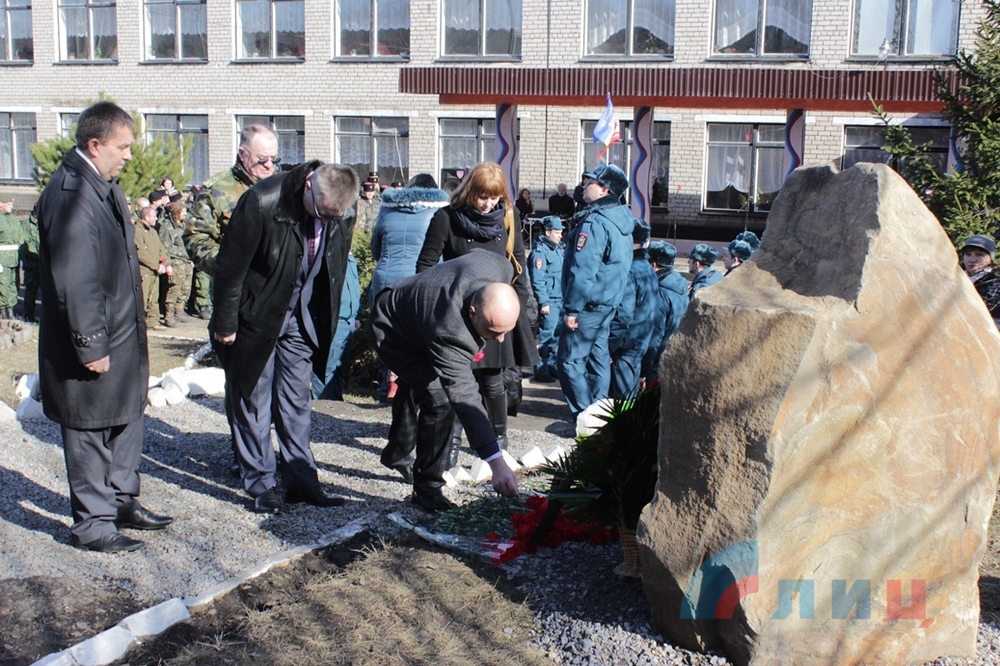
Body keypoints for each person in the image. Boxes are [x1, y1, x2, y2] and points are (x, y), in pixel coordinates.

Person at [36, 101, 173, 553]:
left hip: (121, 333)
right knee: (89, 428)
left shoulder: (104, 186)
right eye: (123, 147)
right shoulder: (71, 195)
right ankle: (93, 525)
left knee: (126, 416)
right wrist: (91, 343)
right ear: (95, 146)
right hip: (92, 340)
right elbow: (75, 280)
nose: (130, 155)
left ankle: (121, 501)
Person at [210, 161, 359, 514]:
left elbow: (333, 268)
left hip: (301, 317)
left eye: (332, 218)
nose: (325, 222)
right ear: (309, 186)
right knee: (254, 400)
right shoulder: (262, 202)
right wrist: (226, 323)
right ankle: (261, 485)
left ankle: (302, 483)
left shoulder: (341, 212)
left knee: (296, 403)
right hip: (257, 317)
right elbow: (230, 269)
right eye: (321, 213)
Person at [371, 250, 522, 510]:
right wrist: (496, 462)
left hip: (420, 312)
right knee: (440, 399)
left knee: (419, 385)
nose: (500, 340)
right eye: (493, 331)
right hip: (393, 329)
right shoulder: (451, 331)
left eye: (505, 331)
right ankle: (428, 490)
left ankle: (396, 452)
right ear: (472, 312)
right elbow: (464, 396)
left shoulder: (499, 266)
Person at [416, 162, 539, 458]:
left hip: (498, 311)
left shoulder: (509, 217)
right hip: (460, 314)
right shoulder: (446, 218)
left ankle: (498, 443)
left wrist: (521, 313)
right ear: (470, 191)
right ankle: (453, 447)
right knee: (459, 380)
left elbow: (518, 268)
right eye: (482, 196)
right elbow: (425, 268)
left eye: (494, 197)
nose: (487, 204)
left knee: (494, 381)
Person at [557, 164, 634, 417]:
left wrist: (571, 309)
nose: (583, 185)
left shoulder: (597, 222)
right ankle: (600, 416)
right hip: (606, 305)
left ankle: (585, 417)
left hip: (588, 306)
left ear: (604, 189)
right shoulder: (621, 219)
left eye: (588, 182)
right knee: (597, 360)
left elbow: (584, 269)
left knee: (569, 361)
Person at [184, 124, 280, 320]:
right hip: (237, 297)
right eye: (261, 159)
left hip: (278, 293)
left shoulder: (283, 186)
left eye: (274, 159)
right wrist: (228, 265)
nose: (269, 165)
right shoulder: (216, 190)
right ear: (242, 154)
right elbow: (195, 238)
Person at [369, 173, 449, 404]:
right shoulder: (439, 211)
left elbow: (376, 248)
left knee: (388, 336)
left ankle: (388, 388)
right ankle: (414, 392)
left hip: (385, 281)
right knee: (418, 339)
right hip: (420, 282)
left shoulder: (387, 209)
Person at [608, 219, 659, 398]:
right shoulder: (647, 267)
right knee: (629, 388)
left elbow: (623, 314)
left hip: (627, 341)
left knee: (624, 394)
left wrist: (610, 346)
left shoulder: (629, 270)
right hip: (641, 336)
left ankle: (626, 424)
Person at [312, 251, 361, 400]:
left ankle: (334, 402)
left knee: (339, 367)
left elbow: (354, 287)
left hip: (350, 321)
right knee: (326, 367)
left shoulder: (350, 258)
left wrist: (358, 315)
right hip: (335, 319)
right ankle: (319, 406)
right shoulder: (329, 254)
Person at [643, 241, 689, 381]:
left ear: (654, 264)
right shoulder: (678, 284)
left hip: (655, 362)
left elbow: (654, 337)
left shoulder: (661, 294)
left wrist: (643, 371)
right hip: (670, 353)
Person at [529, 215, 564, 382]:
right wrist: (544, 302)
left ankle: (550, 365)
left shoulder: (557, 249)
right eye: (557, 232)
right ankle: (541, 369)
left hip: (560, 299)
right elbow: (537, 279)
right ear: (548, 231)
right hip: (549, 301)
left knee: (555, 336)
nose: (560, 235)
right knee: (545, 337)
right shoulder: (540, 253)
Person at [159, 195, 194, 327]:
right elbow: (164, 247)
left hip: (185, 261)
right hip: (175, 261)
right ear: (176, 213)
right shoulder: (167, 227)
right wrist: (167, 264)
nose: (185, 214)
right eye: (183, 212)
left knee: (185, 288)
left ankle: (180, 310)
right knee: (174, 288)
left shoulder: (182, 226)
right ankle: (169, 315)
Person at [135, 206, 169, 331]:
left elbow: (161, 248)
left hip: (155, 271)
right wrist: (155, 265)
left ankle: (152, 321)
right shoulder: (137, 231)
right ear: (146, 217)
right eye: (154, 216)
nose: (156, 218)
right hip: (144, 271)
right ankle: (138, 323)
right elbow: (140, 254)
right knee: (142, 299)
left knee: (154, 298)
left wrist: (162, 262)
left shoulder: (153, 232)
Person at [960, 234, 1000, 329]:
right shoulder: (956, 280)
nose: (972, 259)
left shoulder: (996, 285)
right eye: (968, 254)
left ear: (991, 259)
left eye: (979, 255)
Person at [0, 199, 26, 319]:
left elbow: (21, 237)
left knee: (13, 285)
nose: (12, 206)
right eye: (9, 204)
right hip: (2, 258)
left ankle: (10, 311)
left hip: (14, 257)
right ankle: (3, 312)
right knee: (2, 285)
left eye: (12, 204)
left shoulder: (14, 220)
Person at [19, 203, 40, 322]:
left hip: (44, 265)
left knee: (48, 294)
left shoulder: (46, 222)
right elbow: (25, 244)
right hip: (31, 265)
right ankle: (28, 315)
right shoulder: (25, 225)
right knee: (30, 292)